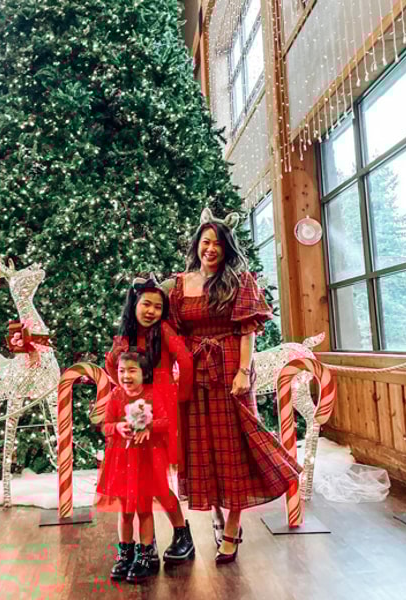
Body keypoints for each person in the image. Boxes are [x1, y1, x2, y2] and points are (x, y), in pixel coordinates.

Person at [168, 207, 303, 564]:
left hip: (229, 366)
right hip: (195, 369)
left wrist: (243, 371)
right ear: (197, 244)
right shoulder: (180, 284)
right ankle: (214, 513)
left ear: (227, 249)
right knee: (202, 445)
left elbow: (247, 330)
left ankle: (232, 527)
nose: (210, 249)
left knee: (234, 446)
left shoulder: (240, 280)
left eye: (218, 244)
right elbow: (174, 331)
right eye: (205, 242)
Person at [104, 275, 194, 564]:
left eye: (158, 306)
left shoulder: (164, 330)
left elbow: (186, 360)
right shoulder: (127, 334)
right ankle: (146, 544)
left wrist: (181, 397)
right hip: (132, 410)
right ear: (134, 304)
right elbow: (113, 367)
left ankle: (182, 533)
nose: (151, 311)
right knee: (136, 479)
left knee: (156, 478)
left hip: (160, 410)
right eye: (146, 304)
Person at [96, 351, 177, 583]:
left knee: (144, 510)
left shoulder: (152, 395)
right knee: (125, 511)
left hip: (145, 462)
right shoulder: (116, 396)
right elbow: (106, 425)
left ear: (144, 373)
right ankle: (125, 554)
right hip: (121, 461)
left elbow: (166, 421)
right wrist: (117, 428)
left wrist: (148, 426)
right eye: (122, 371)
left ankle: (144, 554)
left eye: (132, 371)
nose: (126, 376)